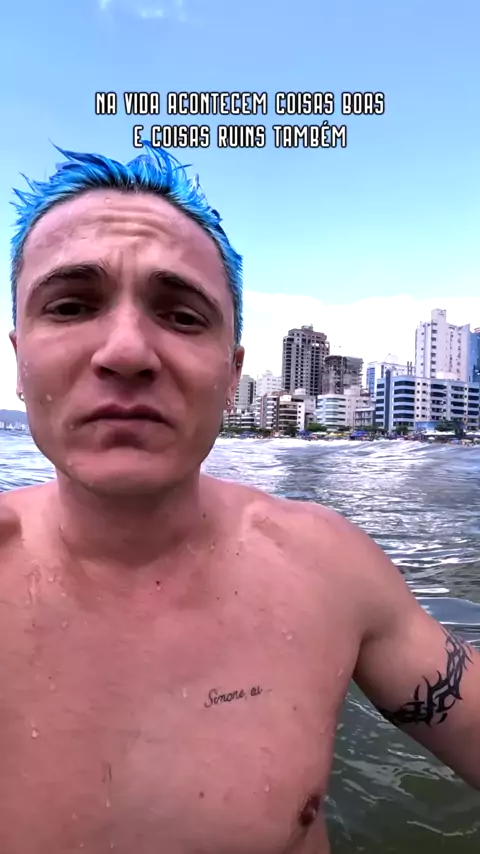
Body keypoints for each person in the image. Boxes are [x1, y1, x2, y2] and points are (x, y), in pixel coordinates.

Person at [1, 142, 479, 854]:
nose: (126, 351)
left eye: (182, 317)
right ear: (19, 361)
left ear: (232, 375)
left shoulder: (327, 567)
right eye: (71, 306)